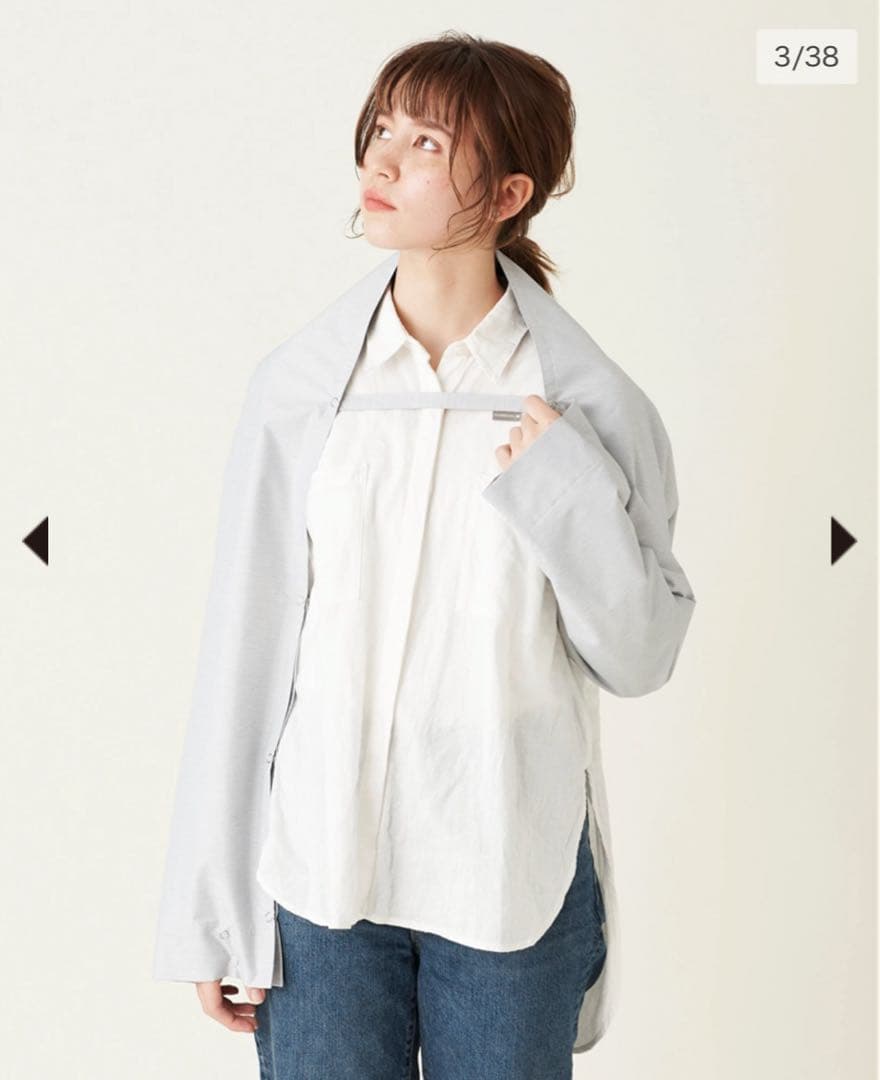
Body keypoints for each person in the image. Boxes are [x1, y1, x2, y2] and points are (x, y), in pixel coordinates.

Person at [154, 30, 696, 1080]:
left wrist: (566, 490)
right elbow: (245, 651)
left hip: (508, 873)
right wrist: (213, 909)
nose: (383, 160)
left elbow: (641, 656)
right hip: (321, 878)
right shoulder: (305, 390)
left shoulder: (586, 403)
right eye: (383, 130)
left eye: (429, 143)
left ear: (509, 194)